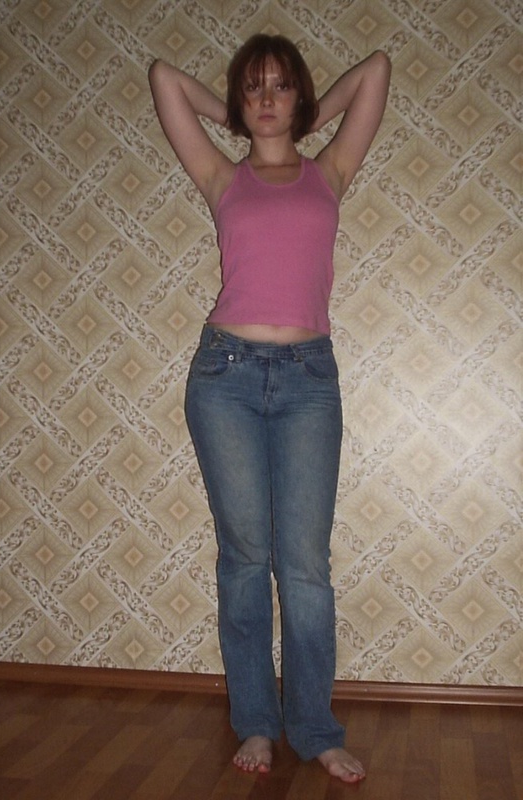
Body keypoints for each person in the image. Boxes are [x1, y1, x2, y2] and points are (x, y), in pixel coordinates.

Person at [149, 34, 390, 783]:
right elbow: (164, 77)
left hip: (308, 381)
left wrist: (305, 117)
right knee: (246, 559)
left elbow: (376, 70)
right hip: (224, 376)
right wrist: (237, 114)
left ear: (301, 98)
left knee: (305, 565)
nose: (264, 98)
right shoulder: (221, 176)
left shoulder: (330, 172)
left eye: (280, 85)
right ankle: (256, 722)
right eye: (251, 86)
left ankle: (314, 728)